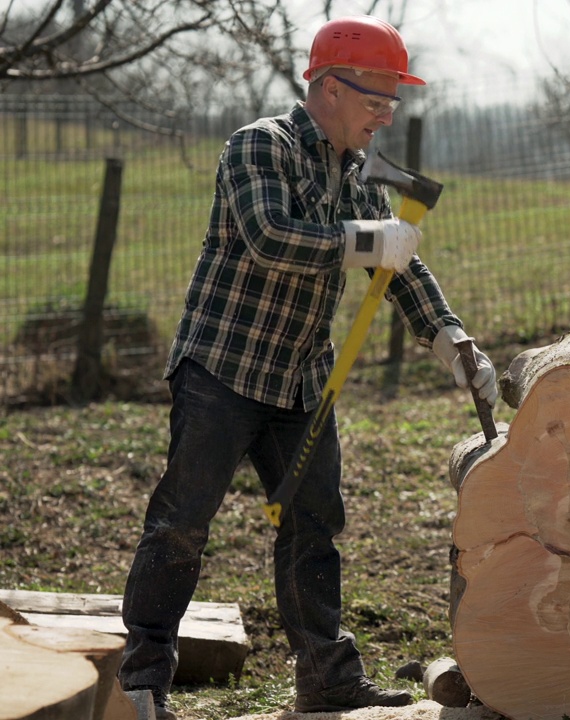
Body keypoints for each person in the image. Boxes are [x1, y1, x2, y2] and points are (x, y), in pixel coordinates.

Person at [117, 15, 498, 716]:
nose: (386, 117)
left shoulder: (356, 173)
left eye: (393, 102)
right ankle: (140, 680)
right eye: (375, 100)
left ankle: (325, 679)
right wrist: (366, 240)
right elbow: (269, 237)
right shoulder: (259, 147)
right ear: (326, 89)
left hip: (297, 379)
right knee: (182, 525)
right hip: (222, 370)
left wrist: (450, 338)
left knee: (313, 525)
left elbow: (402, 266)